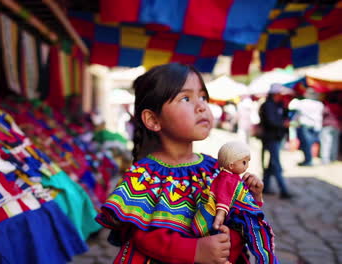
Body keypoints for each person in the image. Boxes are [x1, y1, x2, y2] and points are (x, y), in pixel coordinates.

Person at [96, 63, 276, 264]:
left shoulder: (217, 169)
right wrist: (194, 251)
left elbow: (236, 222)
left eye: (202, 97)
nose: (202, 106)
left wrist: (246, 206)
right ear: (153, 119)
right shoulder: (143, 176)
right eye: (186, 98)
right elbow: (140, 235)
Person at [193, 141, 277, 264]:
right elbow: (224, 198)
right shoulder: (228, 179)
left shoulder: (232, 178)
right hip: (230, 225)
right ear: (231, 165)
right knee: (259, 239)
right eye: (244, 162)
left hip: (236, 225)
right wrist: (220, 216)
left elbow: (243, 200)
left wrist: (256, 195)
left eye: (248, 162)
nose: (247, 166)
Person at [259, 83, 293, 199]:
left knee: (271, 165)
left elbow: (283, 117)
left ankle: (265, 187)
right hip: (270, 138)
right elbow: (271, 122)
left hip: (277, 138)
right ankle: (283, 189)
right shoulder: (267, 106)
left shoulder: (278, 105)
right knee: (276, 164)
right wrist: (283, 124)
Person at [289, 89, 324, 166]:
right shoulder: (319, 104)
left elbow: (291, 106)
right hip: (315, 126)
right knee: (310, 143)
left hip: (306, 125)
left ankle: (308, 160)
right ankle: (309, 159)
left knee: (306, 144)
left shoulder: (302, 103)